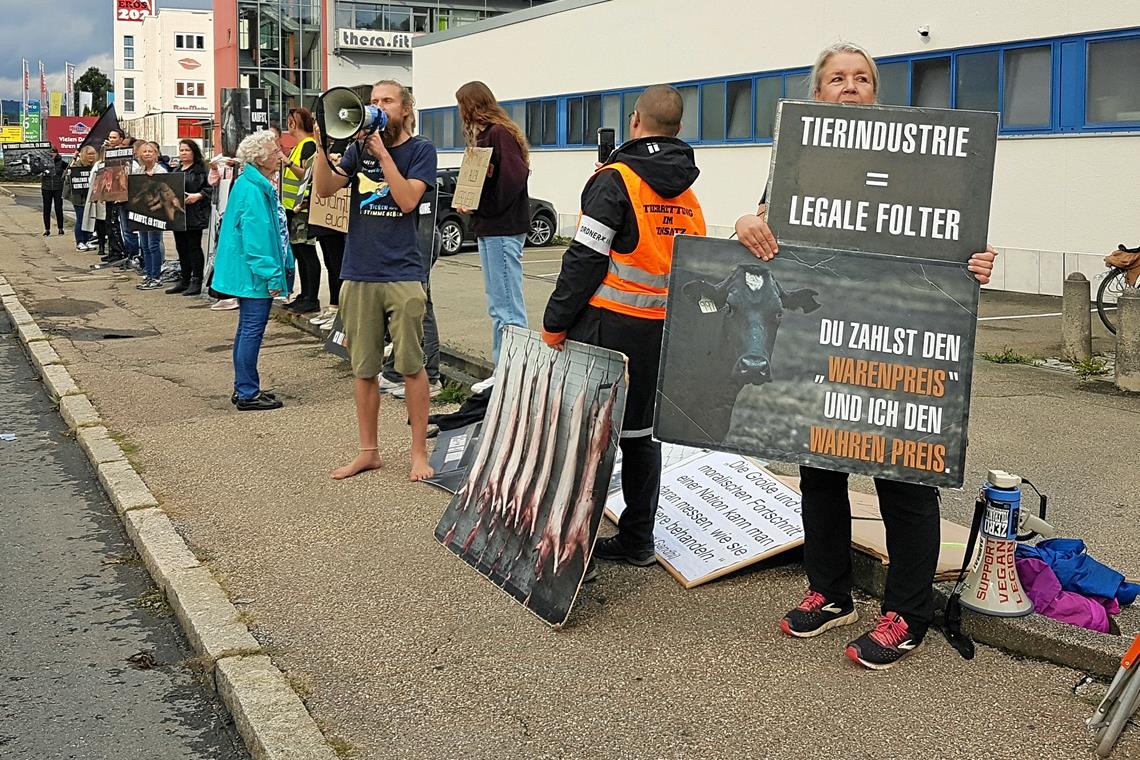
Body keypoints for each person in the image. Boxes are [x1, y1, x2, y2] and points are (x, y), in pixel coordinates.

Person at [733, 42, 998, 670]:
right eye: (836, 79)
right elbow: (763, 236)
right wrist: (747, 222)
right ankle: (830, 591)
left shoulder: (916, 160)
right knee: (820, 469)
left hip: (899, 338)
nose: (849, 87)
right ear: (817, 93)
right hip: (821, 339)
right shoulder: (795, 159)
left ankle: (908, 610)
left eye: (861, 78)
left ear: (874, 93)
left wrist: (972, 265)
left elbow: (948, 239)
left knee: (904, 477)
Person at [542, 85, 706, 579]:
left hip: (608, 329)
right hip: (661, 335)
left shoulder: (614, 180)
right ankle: (638, 540)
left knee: (588, 439)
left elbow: (585, 258)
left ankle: (574, 554)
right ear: (677, 130)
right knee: (641, 436)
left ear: (635, 122)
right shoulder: (690, 193)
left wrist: (555, 322)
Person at [312, 79, 437, 481]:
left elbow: (406, 201)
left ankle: (418, 451)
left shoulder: (421, 151)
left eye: (387, 100)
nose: (378, 106)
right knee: (364, 368)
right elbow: (327, 190)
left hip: (402, 273)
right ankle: (369, 452)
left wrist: (383, 155)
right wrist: (320, 149)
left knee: (411, 365)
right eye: (373, 101)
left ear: (405, 109)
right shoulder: (355, 149)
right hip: (359, 271)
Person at [455, 81, 531, 386]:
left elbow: (513, 178)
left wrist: (483, 206)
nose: (460, 111)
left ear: (471, 105)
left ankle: (513, 373)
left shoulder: (497, 134)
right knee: (499, 302)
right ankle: (504, 368)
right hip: (492, 227)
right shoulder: (490, 134)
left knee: (507, 304)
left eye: (461, 104)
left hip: (501, 227)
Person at [212, 129, 294, 411]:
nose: (279, 156)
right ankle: (247, 392)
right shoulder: (253, 188)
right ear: (260, 159)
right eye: (274, 152)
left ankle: (245, 386)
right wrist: (271, 274)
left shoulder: (250, 183)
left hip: (248, 271)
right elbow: (257, 239)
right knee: (251, 330)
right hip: (254, 273)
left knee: (247, 329)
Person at [280, 107, 321, 314]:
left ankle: (312, 297)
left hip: (302, 209)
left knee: (307, 252)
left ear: (293, 123)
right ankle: (304, 294)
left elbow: (308, 175)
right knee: (299, 251)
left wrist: (287, 163)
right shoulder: (298, 147)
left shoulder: (308, 146)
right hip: (292, 209)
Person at [167, 139, 212, 295]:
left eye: (187, 150)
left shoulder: (202, 170)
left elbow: (210, 188)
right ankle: (184, 279)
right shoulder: (175, 171)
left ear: (194, 152)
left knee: (193, 247)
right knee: (181, 247)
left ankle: (196, 280)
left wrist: (199, 196)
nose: (184, 153)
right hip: (178, 216)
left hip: (195, 214)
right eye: (181, 150)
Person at [133, 141, 169, 290]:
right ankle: (148, 274)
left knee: (154, 244)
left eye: (150, 151)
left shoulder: (161, 171)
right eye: (144, 151)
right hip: (141, 212)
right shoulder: (138, 171)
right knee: (145, 245)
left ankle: (156, 276)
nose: (147, 154)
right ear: (139, 154)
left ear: (156, 154)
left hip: (156, 213)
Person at [66, 145, 98, 250]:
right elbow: (67, 178)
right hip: (78, 197)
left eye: (93, 153)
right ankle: (80, 242)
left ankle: (88, 240)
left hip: (90, 197)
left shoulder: (95, 166)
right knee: (80, 219)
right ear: (84, 154)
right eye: (89, 154)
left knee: (89, 219)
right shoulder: (76, 166)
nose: (92, 156)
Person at [41, 148, 67, 236]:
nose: (51, 154)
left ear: (56, 153)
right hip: (46, 188)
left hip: (58, 188)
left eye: (53, 152)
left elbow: (69, 168)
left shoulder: (61, 162)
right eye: (50, 152)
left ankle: (60, 228)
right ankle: (47, 229)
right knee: (46, 208)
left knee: (58, 208)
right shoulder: (44, 162)